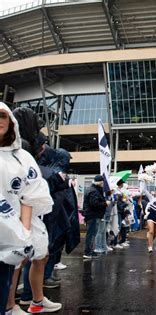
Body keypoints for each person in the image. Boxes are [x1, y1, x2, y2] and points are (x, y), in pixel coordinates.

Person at [0, 103, 61, 314]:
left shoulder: (21, 154)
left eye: (2, 116)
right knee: (16, 263)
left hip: (18, 222)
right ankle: (14, 304)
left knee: (30, 259)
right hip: (10, 222)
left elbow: (29, 191)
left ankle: (25, 302)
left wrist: (24, 230)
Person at [82, 175, 110, 259]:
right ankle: (87, 252)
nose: (103, 184)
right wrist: (105, 203)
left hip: (92, 215)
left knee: (92, 234)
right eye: (102, 183)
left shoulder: (93, 189)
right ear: (100, 182)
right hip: (93, 215)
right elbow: (94, 204)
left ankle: (90, 250)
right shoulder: (94, 191)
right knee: (91, 234)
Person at [141, 188, 156, 255]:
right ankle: (150, 247)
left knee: (155, 233)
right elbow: (147, 208)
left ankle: (150, 241)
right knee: (151, 231)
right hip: (151, 216)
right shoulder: (151, 199)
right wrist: (147, 213)